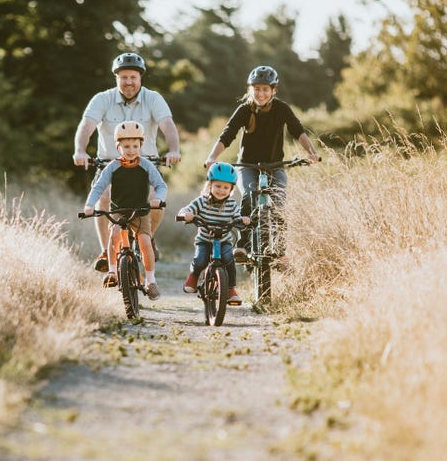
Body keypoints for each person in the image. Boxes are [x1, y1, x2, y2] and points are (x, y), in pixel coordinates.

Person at [74, 52, 181, 272]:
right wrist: (80, 151)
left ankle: (147, 237)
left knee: (156, 199)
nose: (128, 82)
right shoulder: (102, 99)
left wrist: (174, 149)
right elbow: (87, 125)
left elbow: (167, 124)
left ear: (140, 78)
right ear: (116, 78)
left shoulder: (153, 98)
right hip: (109, 164)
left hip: (145, 162)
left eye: (133, 77)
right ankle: (106, 251)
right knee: (102, 200)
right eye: (124, 77)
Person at [203, 65, 320, 263]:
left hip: (275, 166)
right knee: (249, 196)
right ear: (251, 90)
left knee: (280, 203)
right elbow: (228, 133)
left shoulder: (281, 109)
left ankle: (281, 252)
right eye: (257, 89)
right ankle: (242, 244)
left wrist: (312, 153)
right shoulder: (244, 110)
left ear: (273, 90)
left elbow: (297, 130)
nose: (261, 93)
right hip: (247, 166)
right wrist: (212, 157)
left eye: (265, 89)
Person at [83, 120, 168, 300]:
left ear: (141, 145)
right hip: (118, 211)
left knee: (145, 241)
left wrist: (158, 199)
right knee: (114, 236)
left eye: (135, 146)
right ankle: (113, 272)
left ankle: (150, 280)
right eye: (126, 146)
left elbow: (161, 185)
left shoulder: (146, 165)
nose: (131, 150)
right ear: (118, 146)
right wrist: (90, 205)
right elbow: (98, 188)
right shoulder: (112, 167)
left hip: (140, 211)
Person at [178, 163, 250, 305]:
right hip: (204, 240)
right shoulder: (202, 201)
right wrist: (186, 214)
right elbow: (187, 209)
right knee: (200, 260)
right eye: (217, 186)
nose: (221, 190)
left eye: (225, 187)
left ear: (231, 189)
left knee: (229, 260)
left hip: (224, 241)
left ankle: (230, 289)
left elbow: (237, 217)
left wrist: (243, 220)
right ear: (210, 185)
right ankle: (194, 276)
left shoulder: (231, 204)